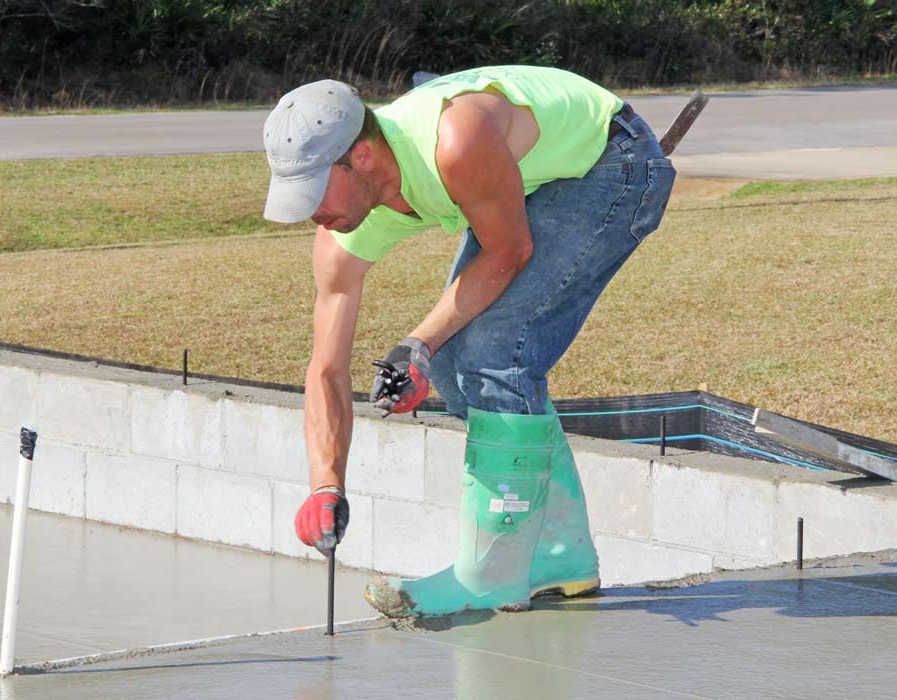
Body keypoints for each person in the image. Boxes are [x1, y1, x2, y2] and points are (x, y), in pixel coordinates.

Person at [262, 65, 675, 618]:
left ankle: (494, 574)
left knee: (493, 354)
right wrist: (324, 485)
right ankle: (560, 555)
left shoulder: (454, 143)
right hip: (527, 173)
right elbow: (326, 368)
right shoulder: (342, 225)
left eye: (314, 190)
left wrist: (417, 345)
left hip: (611, 160)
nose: (312, 211)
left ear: (361, 156)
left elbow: (508, 253)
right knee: (455, 365)